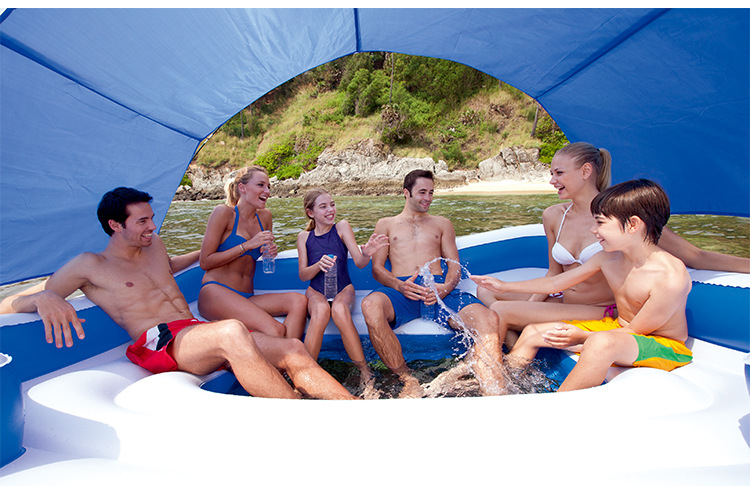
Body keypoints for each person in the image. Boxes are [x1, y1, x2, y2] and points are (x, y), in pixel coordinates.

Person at [4, 187, 354, 400]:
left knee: (293, 348)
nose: (153, 226)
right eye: (142, 222)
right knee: (231, 331)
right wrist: (43, 298)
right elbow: (12, 302)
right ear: (115, 225)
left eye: (151, 218)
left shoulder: (154, 246)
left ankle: (353, 411)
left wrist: (214, 252)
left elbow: (171, 267)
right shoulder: (90, 265)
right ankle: (299, 416)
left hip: (192, 331)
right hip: (158, 341)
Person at [477, 142, 750, 347]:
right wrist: (532, 307)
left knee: (500, 311)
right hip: (563, 298)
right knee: (484, 290)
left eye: (559, 172)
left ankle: (493, 372)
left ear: (586, 171)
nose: (552, 181)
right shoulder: (553, 216)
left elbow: (696, 256)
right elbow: (554, 275)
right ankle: (511, 338)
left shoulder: (624, 217)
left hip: (601, 309)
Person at [472, 179, 693, 392]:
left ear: (633, 224)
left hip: (662, 344)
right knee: (533, 332)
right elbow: (555, 282)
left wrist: (580, 335)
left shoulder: (669, 276)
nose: (593, 230)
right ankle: (500, 388)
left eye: (600, 223)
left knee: (600, 343)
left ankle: (556, 406)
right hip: (616, 328)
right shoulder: (609, 258)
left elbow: (635, 331)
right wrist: (504, 286)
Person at [360, 169, 506, 397]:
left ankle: (494, 391)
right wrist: (399, 286)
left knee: (488, 318)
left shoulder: (442, 224)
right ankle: (407, 379)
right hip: (402, 290)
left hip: (439, 289)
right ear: (406, 192)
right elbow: (377, 269)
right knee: (370, 305)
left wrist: (445, 288)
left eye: (431, 192)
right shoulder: (386, 224)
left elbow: (454, 266)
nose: (428, 198)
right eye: (422, 192)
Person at [198, 166, 307, 339]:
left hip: (246, 297)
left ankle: (291, 355)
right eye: (261, 185)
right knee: (276, 330)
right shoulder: (224, 213)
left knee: (299, 301)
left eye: (268, 187)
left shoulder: (265, 217)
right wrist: (247, 245)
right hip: (216, 292)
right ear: (242, 188)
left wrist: (269, 251)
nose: (267, 191)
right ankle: (292, 354)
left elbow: (262, 252)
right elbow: (205, 261)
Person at [296, 188, 389, 389]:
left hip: (343, 289)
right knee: (321, 310)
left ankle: (364, 371)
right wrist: (318, 265)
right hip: (316, 291)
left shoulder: (341, 227)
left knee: (338, 309)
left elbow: (360, 262)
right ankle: (307, 372)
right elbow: (303, 275)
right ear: (311, 213)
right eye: (323, 207)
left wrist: (367, 253)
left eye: (332, 204)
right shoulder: (304, 237)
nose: (330, 210)